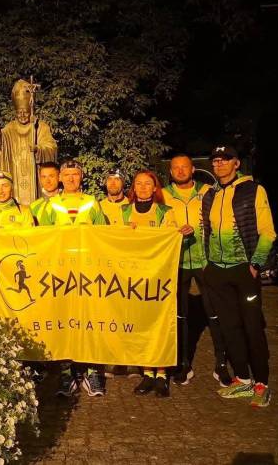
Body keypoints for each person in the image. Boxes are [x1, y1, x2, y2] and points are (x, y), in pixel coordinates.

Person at [200, 145, 277, 408]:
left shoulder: (253, 190)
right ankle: (243, 379)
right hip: (217, 270)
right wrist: (207, 264)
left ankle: (262, 383)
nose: (219, 164)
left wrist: (256, 263)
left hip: (244, 269)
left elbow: (268, 231)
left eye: (225, 160)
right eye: (215, 160)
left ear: (236, 163)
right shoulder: (210, 194)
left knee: (252, 326)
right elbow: (206, 230)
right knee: (229, 327)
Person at [37, 160, 109, 397]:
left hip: (88, 271)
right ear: (60, 178)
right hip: (61, 272)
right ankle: (67, 373)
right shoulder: (52, 204)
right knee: (64, 320)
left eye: (75, 174)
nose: (70, 178)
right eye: (66, 174)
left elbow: (104, 235)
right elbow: (42, 238)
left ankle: (92, 371)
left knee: (90, 319)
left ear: (81, 177)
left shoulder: (92, 202)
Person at [162, 154, 229, 387]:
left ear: (193, 170)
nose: (180, 171)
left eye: (185, 167)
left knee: (215, 312)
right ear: (170, 172)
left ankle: (222, 365)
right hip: (177, 262)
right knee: (179, 315)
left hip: (206, 260)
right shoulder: (163, 194)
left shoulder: (208, 191)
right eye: (176, 168)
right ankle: (183, 364)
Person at [121, 170, 179, 398]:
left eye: (148, 183)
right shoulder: (124, 211)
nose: (143, 187)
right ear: (133, 187)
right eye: (139, 183)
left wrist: (180, 233)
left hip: (158, 274)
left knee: (160, 323)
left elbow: (170, 239)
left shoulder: (165, 211)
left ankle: (162, 374)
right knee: (140, 323)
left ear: (155, 188)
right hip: (133, 275)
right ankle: (146, 372)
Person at [0, 79, 58, 205]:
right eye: (19, 112)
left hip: (35, 178)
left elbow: (52, 147)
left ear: (30, 110)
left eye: (26, 112)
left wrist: (38, 149)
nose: (22, 115)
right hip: (15, 172)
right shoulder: (10, 128)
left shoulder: (40, 127)